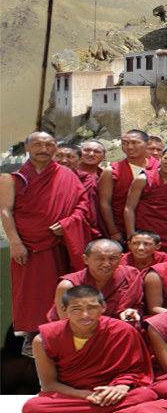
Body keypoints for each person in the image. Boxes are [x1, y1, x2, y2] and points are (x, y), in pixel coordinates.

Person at [1, 131, 93, 341]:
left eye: (49, 145)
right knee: (30, 292)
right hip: (27, 245)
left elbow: (83, 205)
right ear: (27, 148)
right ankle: (30, 336)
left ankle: (59, 333)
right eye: (37, 144)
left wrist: (67, 223)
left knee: (60, 288)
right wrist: (15, 243)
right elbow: (5, 211)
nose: (43, 149)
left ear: (55, 148)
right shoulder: (11, 178)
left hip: (60, 244)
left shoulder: (67, 175)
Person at [25, 286, 157, 413]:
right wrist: (86, 395)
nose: (85, 315)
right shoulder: (45, 339)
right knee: (33, 407)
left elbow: (135, 371)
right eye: (76, 309)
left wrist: (120, 388)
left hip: (111, 392)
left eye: (92, 308)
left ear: (103, 307)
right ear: (64, 310)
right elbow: (49, 384)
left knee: (145, 395)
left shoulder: (122, 331)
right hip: (73, 395)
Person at [51, 238, 144, 323]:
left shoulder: (131, 275)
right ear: (85, 259)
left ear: (121, 259)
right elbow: (66, 323)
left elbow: (135, 305)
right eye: (100, 259)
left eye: (112, 259)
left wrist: (130, 313)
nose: (106, 264)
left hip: (119, 330)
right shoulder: (68, 285)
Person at [98, 129, 160, 241]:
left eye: (135, 142)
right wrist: (113, 231)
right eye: (124, 143)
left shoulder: (158, 168)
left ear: (148, 144)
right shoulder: (112, 171)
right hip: (121, 228)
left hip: (155, 227)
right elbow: (104, 203)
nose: (130, 147)